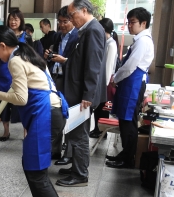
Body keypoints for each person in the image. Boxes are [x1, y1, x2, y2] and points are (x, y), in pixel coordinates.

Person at [0, 25, 71, 197]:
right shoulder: (28, 53)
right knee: (30, 165)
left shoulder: (15, 60)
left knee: (36, 172)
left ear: (2, 45)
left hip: (46, 115)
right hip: (50, 112)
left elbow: (20, 98)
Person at [55, 0, 106, 187]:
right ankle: (76, 167)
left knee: (79, 134)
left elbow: (93, 66)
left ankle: (80, 175)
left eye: (72, 15)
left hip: (82, 94)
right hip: (78, 91)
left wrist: (88, 95)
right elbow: (81, 61)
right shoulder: (87, 29)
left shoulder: (93, 30)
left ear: (84, 11)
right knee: (75, 131)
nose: (70, 19)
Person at [106, 7, 154, 169]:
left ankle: (127, 158)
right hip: (128, 84)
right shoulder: (139, 40)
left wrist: (116, 78)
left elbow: (130, 66)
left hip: (133, 85)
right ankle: (124, 154)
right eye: (128, 22)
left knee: (129, 122)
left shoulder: (144, 41)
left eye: (133, 22)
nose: (129, 26)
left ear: (144, 23)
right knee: (124, 121)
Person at [43, 6, 79, 163]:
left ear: (72, 20)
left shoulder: (78, 36)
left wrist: (63, 60)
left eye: (65, 22)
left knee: (69, 114)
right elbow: (54, 55)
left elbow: (78, 62)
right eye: (60, 22)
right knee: (55, 114)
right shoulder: (57, 36)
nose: (62, 25)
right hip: (56, 77)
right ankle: (55, 150)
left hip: (69, 80)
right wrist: (48, 57)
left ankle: (69, 154)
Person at [0, 9, 33, 141]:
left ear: (21, 21)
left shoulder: (26, 37)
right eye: (11, 19)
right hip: (4, 72)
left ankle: (25, 132)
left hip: (19, 72)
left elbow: (30, 55)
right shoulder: (3, 35)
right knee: (3, 104)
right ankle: (5, 131)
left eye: (16, 19)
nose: (13, 21)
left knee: (22, 102)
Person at [89, 18, 119, 139]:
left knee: (102, 108)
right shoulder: (106, 42)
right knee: (99, 108)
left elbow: (108, 65)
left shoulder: (111, 44)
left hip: (105, 82)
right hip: (102, 81)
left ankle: (101, 131)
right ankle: (97, 129)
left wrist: (104, 83)